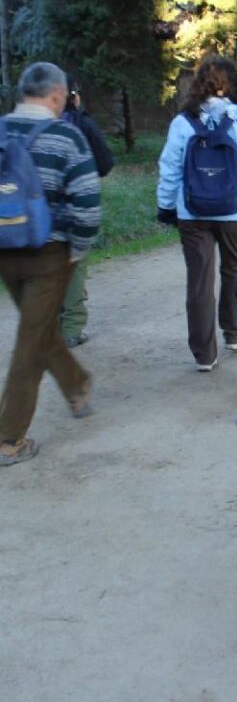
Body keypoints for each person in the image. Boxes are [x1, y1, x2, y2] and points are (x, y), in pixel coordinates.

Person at [0, 61, 101, 467]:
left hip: (5, 248)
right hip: (50, 254)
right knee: (32, 340)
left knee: (36, 330)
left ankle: (77, 385)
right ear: (58, 94)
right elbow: (88, 204)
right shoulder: (65, 135)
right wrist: (78, 248)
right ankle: (9, 439)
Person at [157, 53, 237, 372]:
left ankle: (204, 354)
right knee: (234, 270)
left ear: (198, 85)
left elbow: (169, 168)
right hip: (235, 211)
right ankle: (234, 332)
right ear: (234, 83)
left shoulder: (182, 122)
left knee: (199, 280)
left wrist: (166, 205)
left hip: (192, 212)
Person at [60, 76, 115, 348]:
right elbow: (105, 163)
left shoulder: (26, 124)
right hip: (73, 206)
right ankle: (71, 329)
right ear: (74, 96)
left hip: (34, 211)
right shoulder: (82, 123)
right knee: (73, 264)